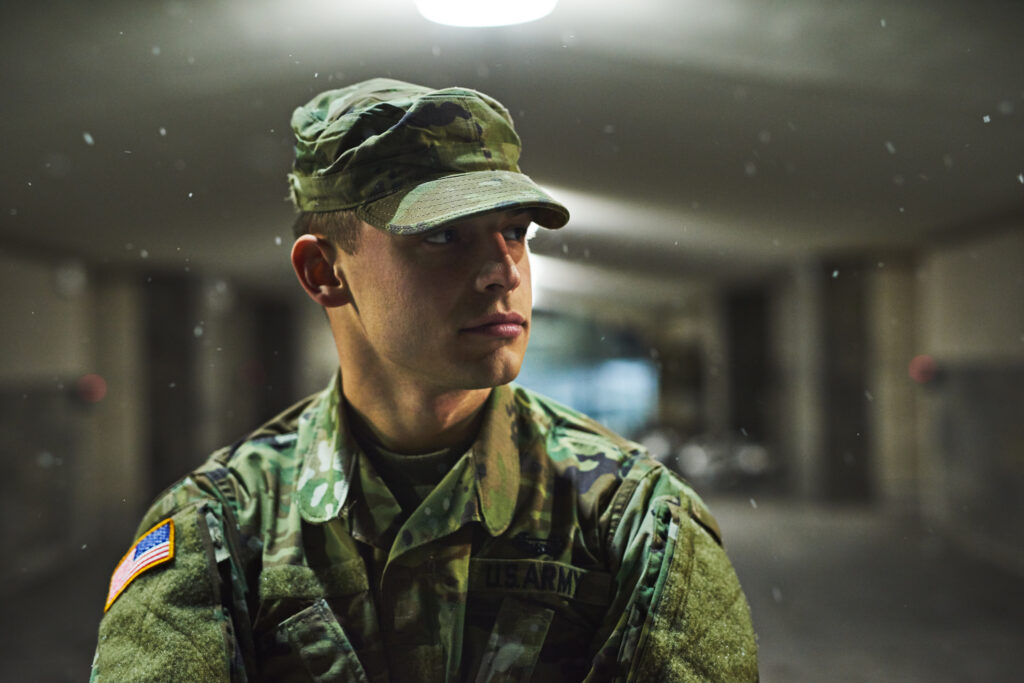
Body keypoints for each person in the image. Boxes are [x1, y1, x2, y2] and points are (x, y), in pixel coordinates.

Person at [91, 78, 758, 682]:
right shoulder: (222, 531)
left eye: (514, 232)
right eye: (443, 237)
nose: (505, 270)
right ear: (324, 272)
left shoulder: (633, 521)